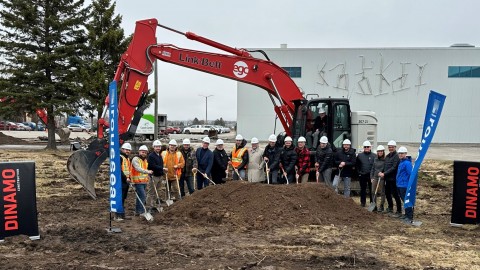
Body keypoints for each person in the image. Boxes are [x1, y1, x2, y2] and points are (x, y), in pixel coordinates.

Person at [379, 140, 402, 215]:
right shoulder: (388, 156)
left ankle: (399, 210)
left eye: (392, 147)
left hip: (393, 179)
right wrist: (381, 172)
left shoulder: (396, 156)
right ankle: (390, 207)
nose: (391, 148)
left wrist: (384, 173)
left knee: (395, 194)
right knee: (387, 193)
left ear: (395, 147)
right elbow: (385, 166)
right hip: (387, 179)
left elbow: (394, 167)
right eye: (389, 147)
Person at [131, 145, 153, 216]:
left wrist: (149, 175)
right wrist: (147, 171)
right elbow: (138, 168)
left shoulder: (145, 160)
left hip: (144, 181)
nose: (144, 153)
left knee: (140, 196)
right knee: (143, 195)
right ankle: (141, 211)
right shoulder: (135, 159)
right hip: (137, 181)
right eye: (142, 152)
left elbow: (146, 168)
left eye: (145, 152)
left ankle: (138, 211)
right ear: (139, 152)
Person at [396, 146, 414, 223]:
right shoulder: (401, 162)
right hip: (399, 184)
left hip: (404, 185)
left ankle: (409, 216)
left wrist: (410, 185)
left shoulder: (407, 163)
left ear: (406, 154)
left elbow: (410, 174)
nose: (400, 155)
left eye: (402, 153)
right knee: (404, 200)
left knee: (407, 201)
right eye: (399, 153)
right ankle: (406, 214)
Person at [115, 142, 132, 221]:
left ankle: (122, 214)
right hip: (120, 181)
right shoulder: (120, 157)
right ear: (122, 149)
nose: (127, 151)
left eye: (129, 150)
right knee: (119, 198)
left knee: (123, 198)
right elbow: (119, 170)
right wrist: (125, 178)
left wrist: (129, 178)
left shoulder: (127, 158)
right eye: (126, 150)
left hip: (126, 181)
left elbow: (128, 170)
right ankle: (117, 215)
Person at [356, 140, 376, 207]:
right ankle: (363, 202)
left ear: (370, 147)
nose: (366, 148)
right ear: (363, 148)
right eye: (365, 147)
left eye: (368, 147)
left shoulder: (374, 156)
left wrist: (373, 175)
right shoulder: (360, 155)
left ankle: (372, 202)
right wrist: (359, 173)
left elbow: (375, 166)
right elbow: (357, 165)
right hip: (362, 175)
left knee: (371, 190)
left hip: (371, 176)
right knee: (363, 189)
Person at [146, 140, 164, 212]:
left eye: (159, 147)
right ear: (154, 147)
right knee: (151, 192)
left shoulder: (159, 155)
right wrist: (162, 168)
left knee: (158, 191)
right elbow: (152, 166)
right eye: (156, 147)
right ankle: (148, 206)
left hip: (159, 176)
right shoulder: (151, 156)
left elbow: (161, 165)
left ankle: (153, 205)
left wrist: (162, 171)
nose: (158, 148)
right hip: (153, 176)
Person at [370, 145, 386, 212]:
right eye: (379, 151)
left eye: (381, 151)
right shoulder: (375, 159)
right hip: (375, 177)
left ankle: (381, 206)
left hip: (382, 178)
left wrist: (383, 173)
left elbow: (386, 169)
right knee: (373, 191)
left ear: (383, 152)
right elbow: (373, 169)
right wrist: (371, 177)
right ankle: (374, 206)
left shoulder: (385, 160)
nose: (380, 152)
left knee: (382, 192)